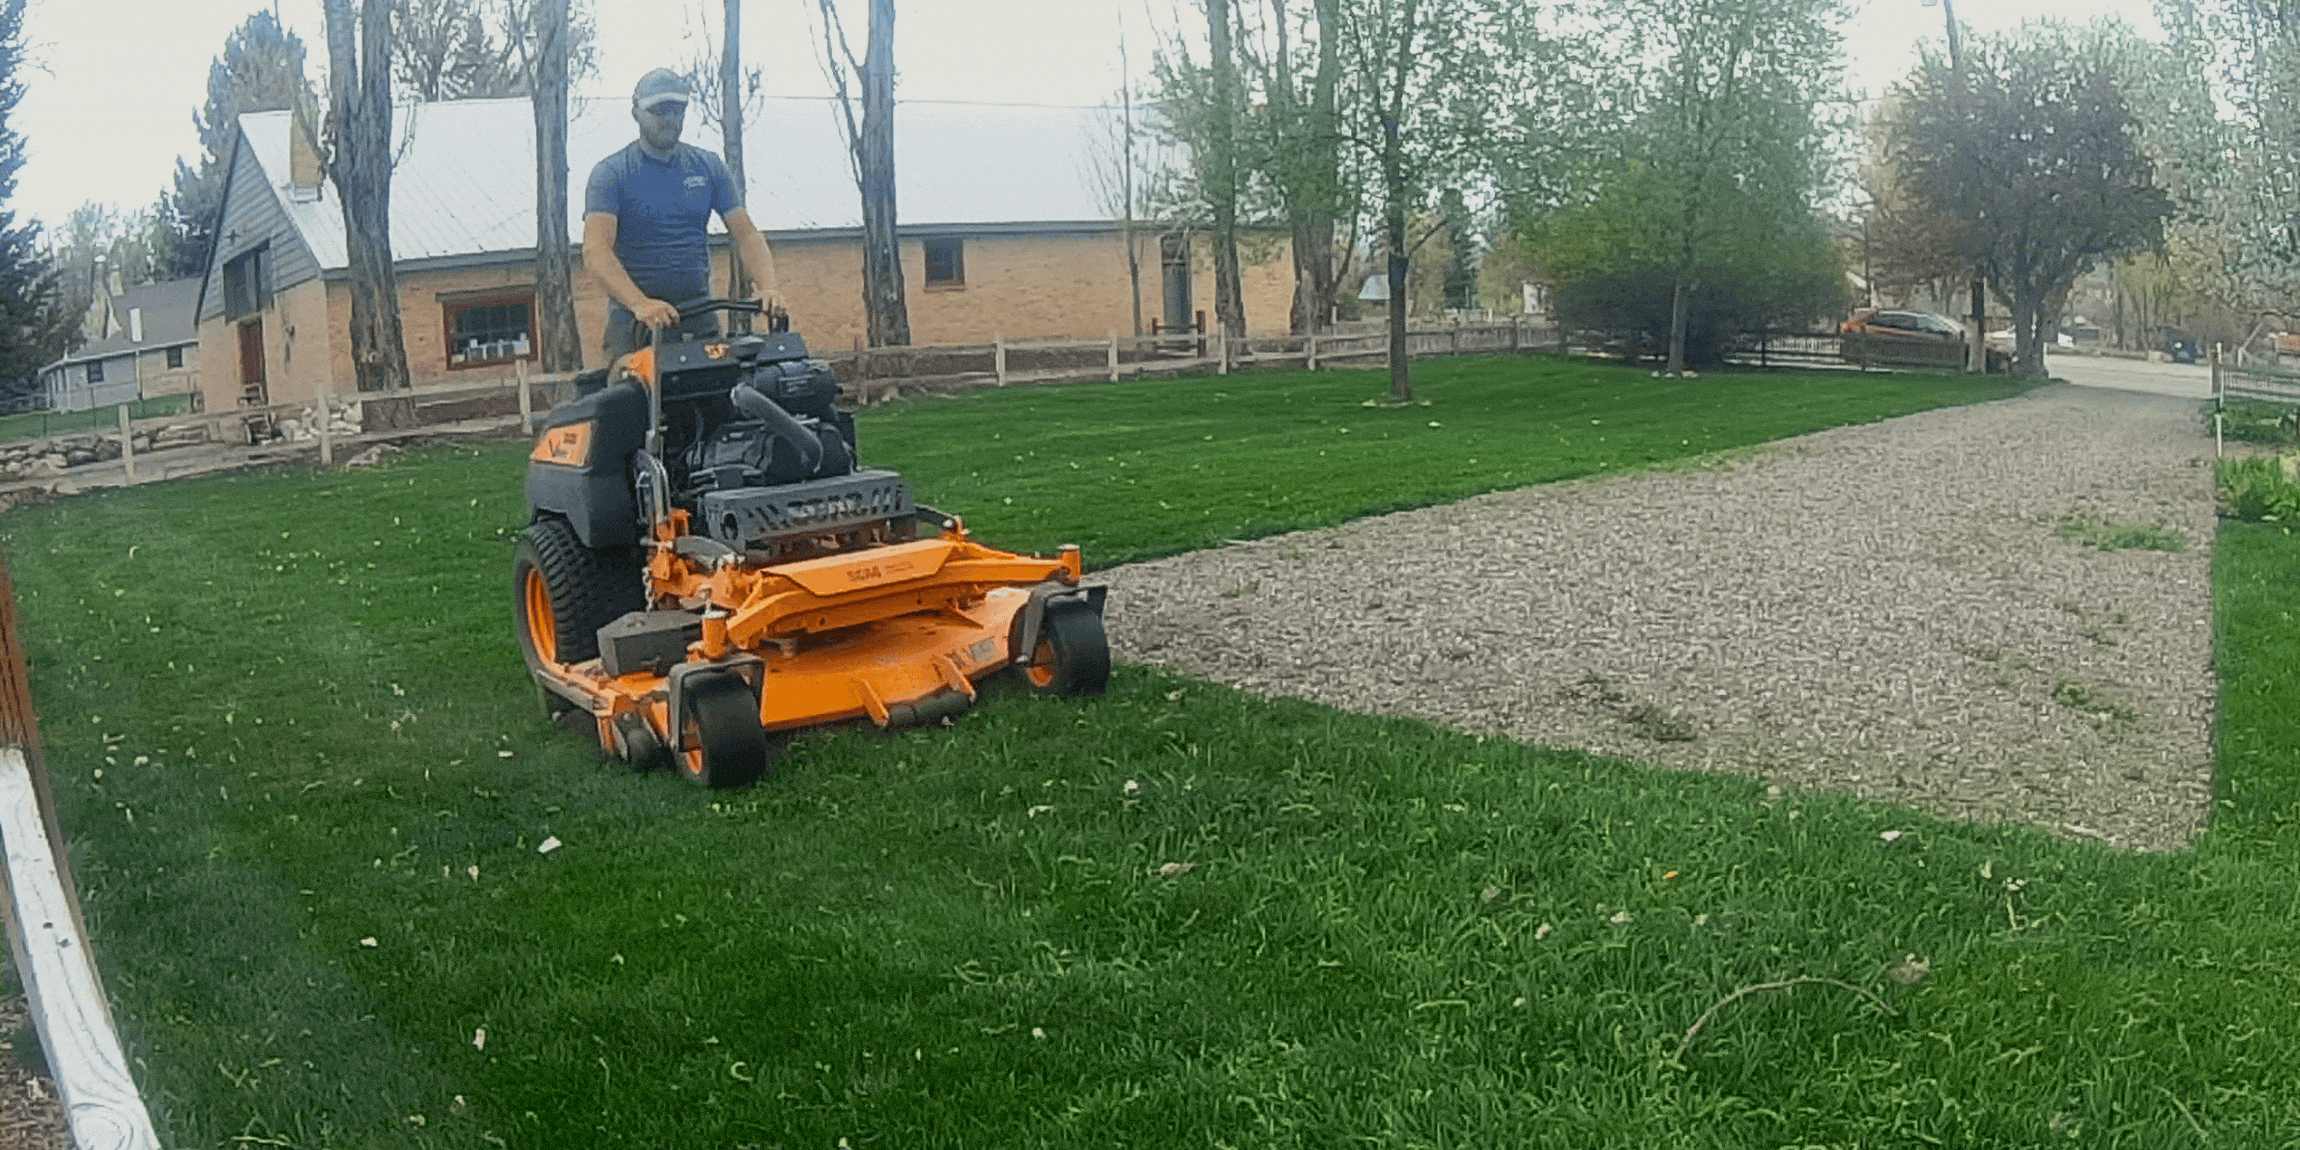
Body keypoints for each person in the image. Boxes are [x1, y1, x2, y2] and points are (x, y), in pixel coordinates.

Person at [582, 68, 784, 360]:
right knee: (629, 403)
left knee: (721, 398)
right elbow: (596, 250)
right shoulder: (611, 173)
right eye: (659, 110)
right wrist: (639, 303)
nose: (670, 118)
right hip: (634, 324)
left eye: (677, 109)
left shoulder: (708, 166)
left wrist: (769, 288)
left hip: (699, 315)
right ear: (636, 112)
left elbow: (747, 234)